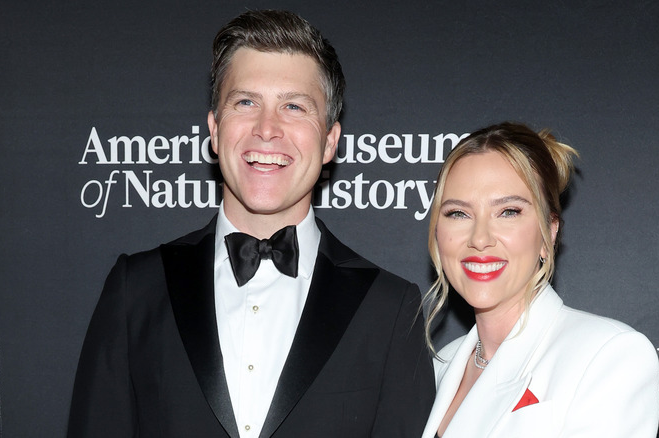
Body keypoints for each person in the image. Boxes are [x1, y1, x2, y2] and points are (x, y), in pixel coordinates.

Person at [68, 10, 434, 438]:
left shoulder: (391, 310)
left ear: (330, 141)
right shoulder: (136, 290)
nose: (267, 129)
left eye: (294, 106)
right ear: (215, 129)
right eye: (246, 102)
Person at [420, 122, 659, 437]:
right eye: (458, 214)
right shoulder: (440, 366)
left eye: (508, 211)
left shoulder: (607, 356)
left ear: (549, 233)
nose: (480, 239)